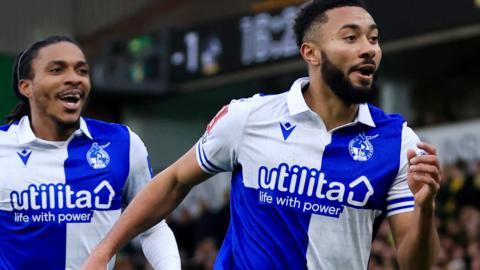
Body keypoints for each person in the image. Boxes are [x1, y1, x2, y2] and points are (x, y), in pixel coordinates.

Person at [82, 0, 441, 269]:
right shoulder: (249, 117)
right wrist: (104, 251)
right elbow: (174, 181)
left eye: (373, 39)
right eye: (350, 38)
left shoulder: (398, 143)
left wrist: (425, 211)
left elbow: (416, 265)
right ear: (310, 53)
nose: (368, 48)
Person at [0, 36, 180, 270]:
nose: (74, 79)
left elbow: (152, 225)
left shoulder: (122, 144)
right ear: (27, 87)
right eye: (57, 70)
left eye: (81, 71)